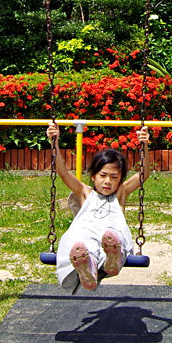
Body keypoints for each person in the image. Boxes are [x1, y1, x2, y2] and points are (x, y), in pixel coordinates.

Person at [50, 123, 152, 292]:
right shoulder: (84, 192)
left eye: (114, 177)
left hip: (112, 237)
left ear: (120, 179)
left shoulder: (120, 193)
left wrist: (145, 145)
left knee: (113, 236)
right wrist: (54, 142)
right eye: (103, 175)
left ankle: (112, 259)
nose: (108, 181)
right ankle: (87, 271)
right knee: (83, 241)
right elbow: (63, 173)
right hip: (89, 237)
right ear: (93, 176)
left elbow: (144, 174)